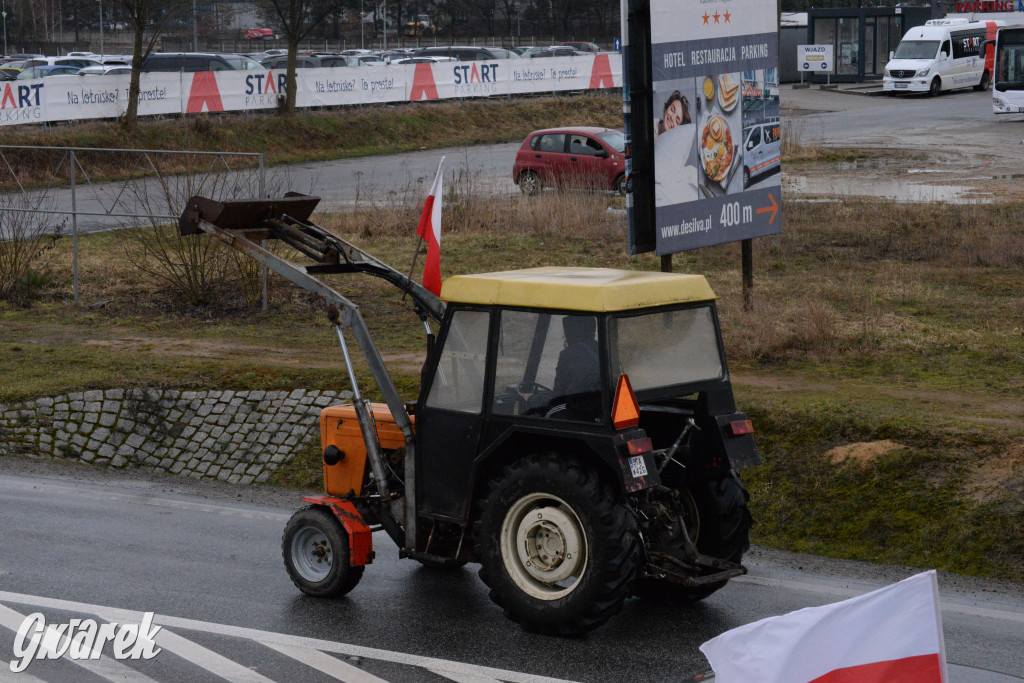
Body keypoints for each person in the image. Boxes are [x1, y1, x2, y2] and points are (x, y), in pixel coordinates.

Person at [548, 315, 601, 421]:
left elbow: (557, 398)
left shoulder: (567, 355)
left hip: (579, 417)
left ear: (574, 332)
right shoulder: (603, 348)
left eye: (566, 331)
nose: (563, 336)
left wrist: (530, 398)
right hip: (600, 414)